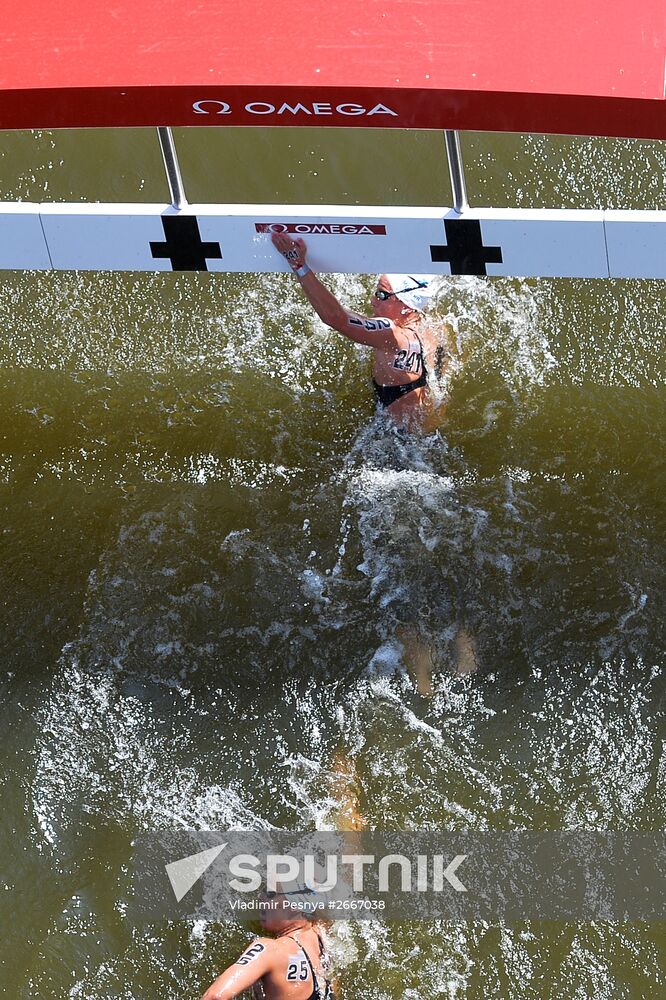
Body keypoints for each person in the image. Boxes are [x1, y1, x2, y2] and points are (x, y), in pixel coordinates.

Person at [271, 233, 450, 428]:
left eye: (382, 295)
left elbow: (336, 318)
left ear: (407, 306)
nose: (372, 300)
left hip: (394, 443)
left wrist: (299, 265)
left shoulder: (393, 336)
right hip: (427, 434)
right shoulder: (437, 327)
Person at [201, 889, 335, 1000]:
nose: (260, 897)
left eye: (270, 894)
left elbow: (214, 997)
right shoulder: (321, 939)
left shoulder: (270, 950)